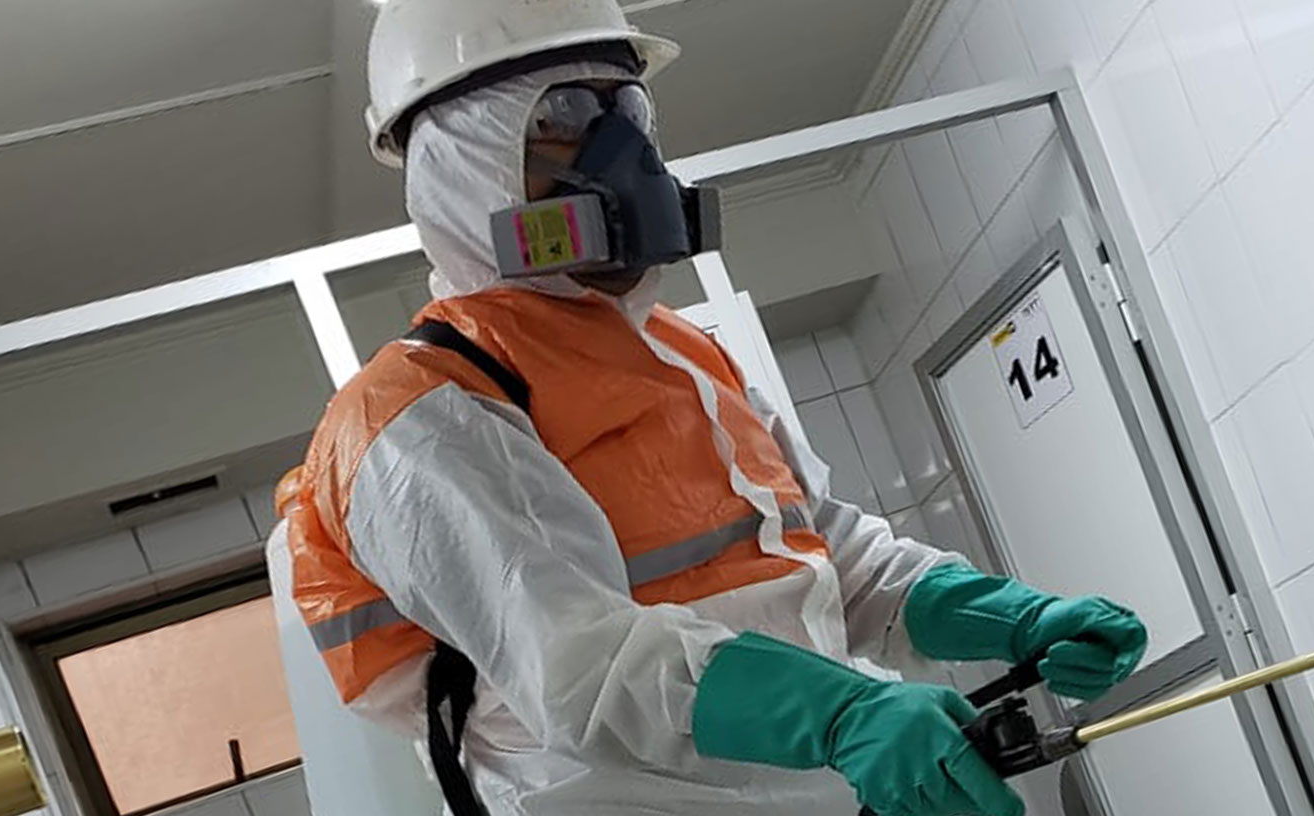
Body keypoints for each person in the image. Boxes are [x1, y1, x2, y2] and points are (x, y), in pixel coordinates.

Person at [276, 0, 1149, 814]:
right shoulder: (412, 413)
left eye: (626, 110)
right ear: (462, 166)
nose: (621, 151)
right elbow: (585, 665)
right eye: (564, 115)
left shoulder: (685, 353)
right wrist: (842, 713)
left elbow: (825, 552)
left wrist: (1008, 617)